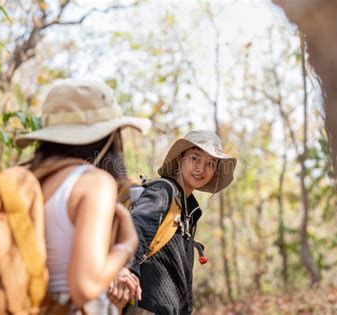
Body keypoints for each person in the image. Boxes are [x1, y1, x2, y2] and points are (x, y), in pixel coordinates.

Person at [15, 79, 151, 314]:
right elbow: (84, 287)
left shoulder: (24, 178)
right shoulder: (93, 182)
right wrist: (126, 246)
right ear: (109, 135)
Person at [108, 130, 237, 314]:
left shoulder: (187, 210)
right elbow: (137, 229)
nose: (202, 168)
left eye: (210, 163)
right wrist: (125, 269)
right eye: (195, 158)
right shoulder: (163, 192)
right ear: (180, 159)